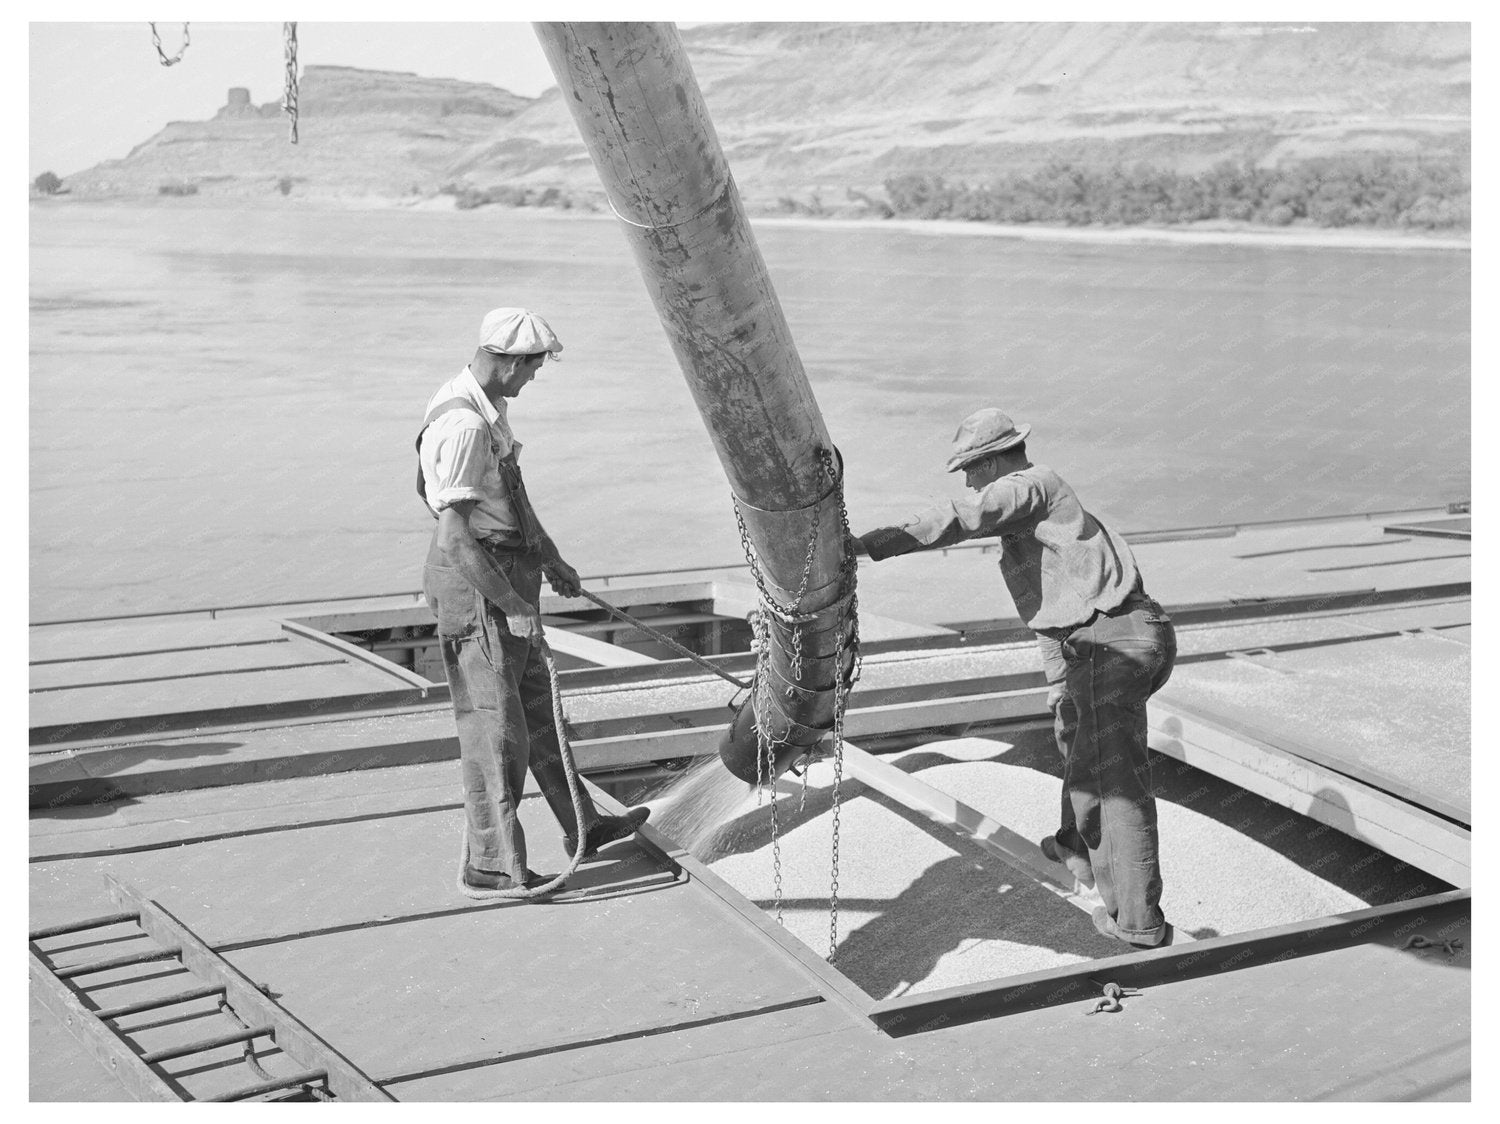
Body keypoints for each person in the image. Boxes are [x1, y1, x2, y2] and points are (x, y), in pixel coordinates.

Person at [852, 407, 1177, 948]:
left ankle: (1139, 923)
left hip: (1116, 644)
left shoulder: (1034, 485)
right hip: (1105, 643)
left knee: (1118, 784)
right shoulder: (1040, 526)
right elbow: (1054, 620)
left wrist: (867, 545)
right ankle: (1075, 850)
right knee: (1077, 743)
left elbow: (966, 515)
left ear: (998, 459)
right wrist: (1060, 694)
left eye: (972, 469)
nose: (969, 481)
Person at [418, 307, 648, 893]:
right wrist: (513, 606)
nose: (532, 381)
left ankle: (584, 826)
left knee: (539, 713)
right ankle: (490, 865)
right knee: (496, 731)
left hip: (509, 571)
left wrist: (549, 558)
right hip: (481, 587)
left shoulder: (475, 408)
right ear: (509, 361)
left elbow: (503, 496)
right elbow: (454, 534)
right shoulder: (465, 424)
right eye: (532, 370)